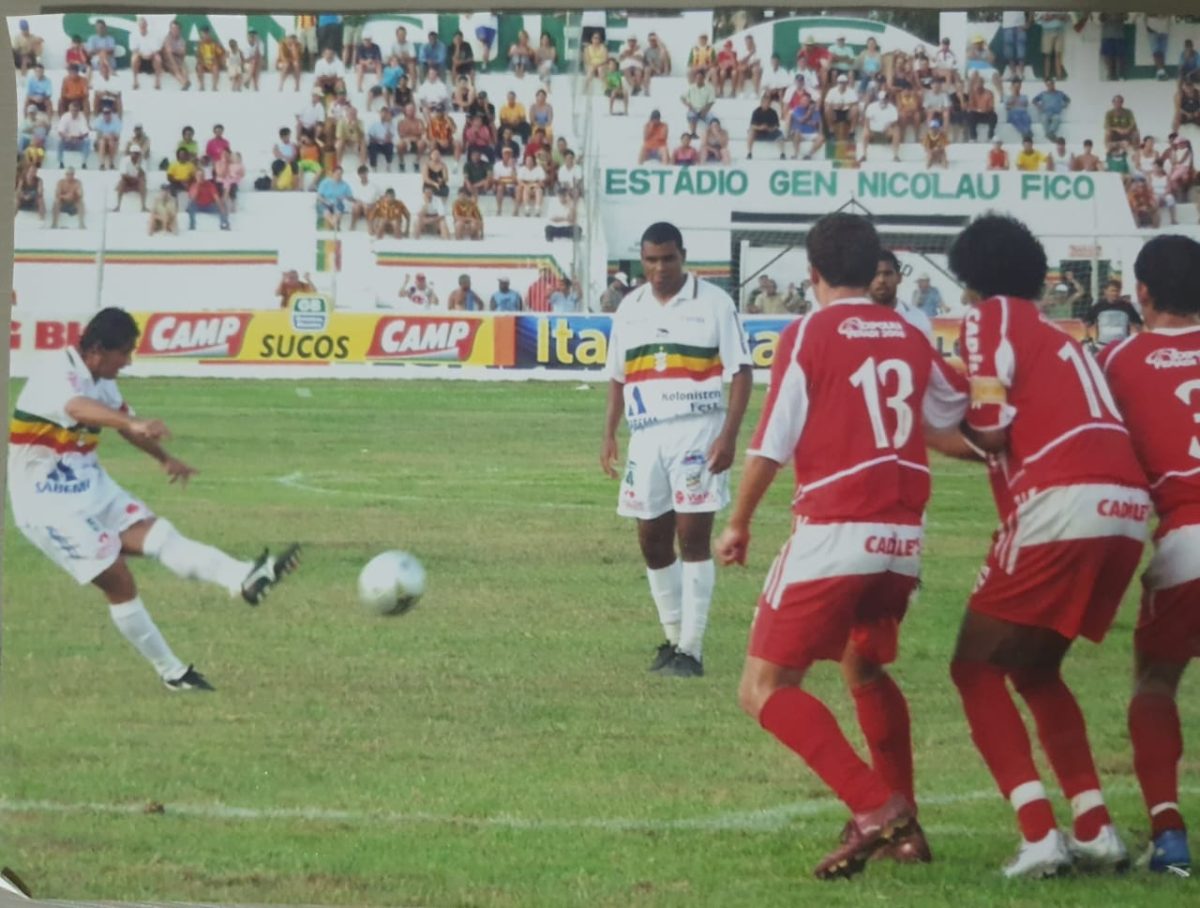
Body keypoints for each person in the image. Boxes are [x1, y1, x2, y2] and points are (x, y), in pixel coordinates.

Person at [714, 212, 968, 879]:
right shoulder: (912, 335)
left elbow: (773, 442)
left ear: (813, 274)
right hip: (902, 542)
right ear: (875, 268)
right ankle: (908, 830)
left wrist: (738, 523)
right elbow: (954, 419)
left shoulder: (810, 332)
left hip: (835, 533)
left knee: (763, 689)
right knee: (864, 670)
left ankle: (876, 807)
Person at [932, 214, 1149, 877]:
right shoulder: (1057, 335)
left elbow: (993, 430)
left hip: (1059, 503)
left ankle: (1039, 836)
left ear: (975, 280)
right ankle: (1096, 828)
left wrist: (936, 403)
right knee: (1034, 669)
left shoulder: (991, 316)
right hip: (1123, 508)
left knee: (973, 669)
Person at [7, 309, 301, 691]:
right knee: (120, 581)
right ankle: (173, 673)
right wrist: (129, 423)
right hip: (46, 505)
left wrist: (164, 458)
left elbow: (124, 421)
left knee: (162, 536)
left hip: (91, 487)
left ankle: (243, 578)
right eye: (124, 353)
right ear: (97, 349)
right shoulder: (56, 375)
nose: (128, 361)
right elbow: (78, 408)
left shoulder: (102, 380)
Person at [600, 221, 754, 678]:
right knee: (650, 540)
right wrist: (609, 432)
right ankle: (670, 639)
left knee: (692, 537)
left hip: (696, 433)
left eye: (668, 259)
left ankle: (693, 647)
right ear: (641, 260)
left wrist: (727, 436)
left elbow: (742, 372)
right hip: (646, 435)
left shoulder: (714, 304)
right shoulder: (630, 307)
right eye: (651, 260)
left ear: (682, 256)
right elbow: (617, 376)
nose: (659, 268)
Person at [1098, 235, 1200, 877]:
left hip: (1186, 537)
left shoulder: (1119, 361)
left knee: (1155, 682)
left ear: (1141, 294)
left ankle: (1168, 835)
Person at [871, 251, 933, 342]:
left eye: (887, 274)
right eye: (875, 274)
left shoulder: (918, 318)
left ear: (899, 278)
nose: (881, 280)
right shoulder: (855, 319)